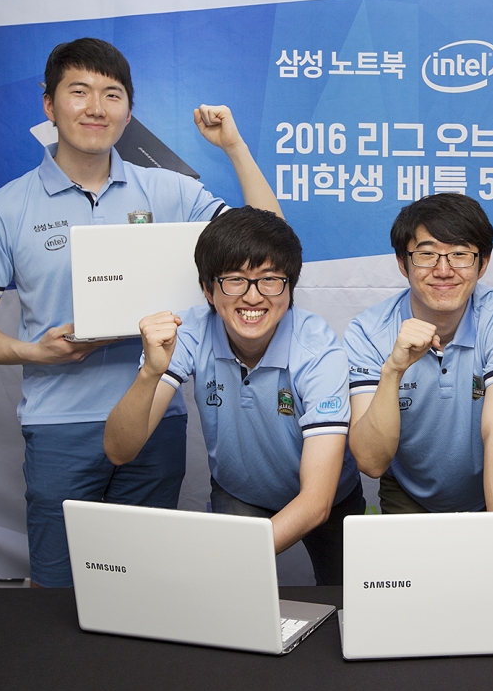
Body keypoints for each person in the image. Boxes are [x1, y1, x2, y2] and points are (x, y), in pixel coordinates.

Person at [0, 37, 281, 587]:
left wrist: (234, 147)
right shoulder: (6, 209)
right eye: (78, 91)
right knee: (57, 593)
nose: (96, 108)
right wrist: (37, 352)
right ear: (49, 105)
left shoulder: (172, 192)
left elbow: (273, 244)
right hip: (59, 426)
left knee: (145, 590)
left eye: (112, 94)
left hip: (155, 418)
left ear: (129, 111)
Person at [104, 207, 362, 585]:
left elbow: (316, 502)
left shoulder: (318, 350)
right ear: (208, 289)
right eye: (235, 280)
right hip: (240, 491)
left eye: (269, 279)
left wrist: (227, 560)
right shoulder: (188, 331)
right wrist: (150, 373)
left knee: (345, 600)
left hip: (328, 498)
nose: (253, 297)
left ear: (289, 287)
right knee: (232, 603)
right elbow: (119, 450)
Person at [345, 193, 493, 513]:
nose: (443, 270)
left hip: (492, 488)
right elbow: (371, 463)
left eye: (460, 254)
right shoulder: (368, 331)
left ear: (483, 263)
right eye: (427, 254)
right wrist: (393, 370)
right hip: (409, 493)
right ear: (402, 263)